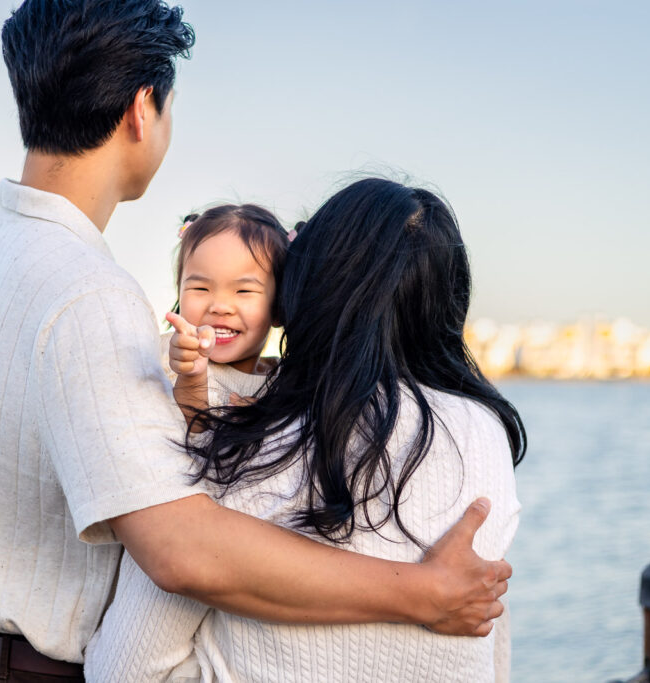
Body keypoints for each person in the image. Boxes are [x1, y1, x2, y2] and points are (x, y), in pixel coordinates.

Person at [0, 1, 512, 680]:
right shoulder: (91, 294)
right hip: (21, 671)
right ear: (141, 110)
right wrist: (421, 591)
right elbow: (181, 550)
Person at [86, 178, 527, 682]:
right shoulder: (487, 434)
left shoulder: (251, 444)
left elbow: (124, 671)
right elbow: (490, 637)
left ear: (307, 287)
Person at [162, 204, 290, 414]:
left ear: (278, 306)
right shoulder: (164, 360)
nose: (220, 307)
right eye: (201, 288)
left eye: (244, 291)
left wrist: (266, 423)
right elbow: (185, 434)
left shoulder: (284, 384)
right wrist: (192, 378)